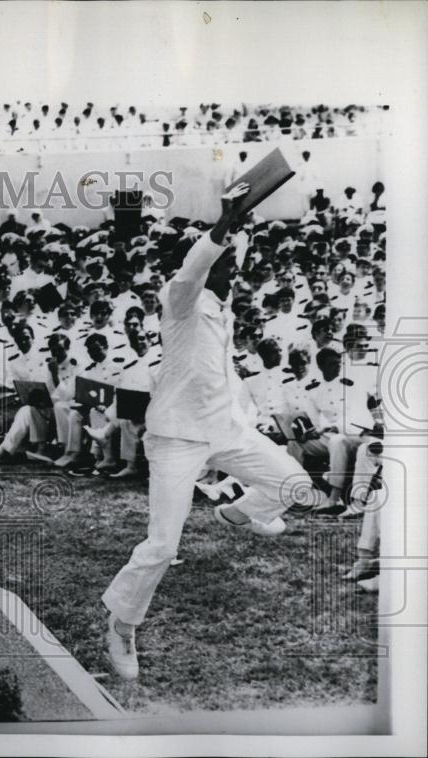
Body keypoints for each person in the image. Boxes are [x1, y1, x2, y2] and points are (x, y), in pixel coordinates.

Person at [100, 182, 322, 681]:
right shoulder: (180, 298)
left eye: (234, 265)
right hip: (177, 438)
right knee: (163, 546)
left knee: (295, 484)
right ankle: (121, 624)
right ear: (205, 266)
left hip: (227, 429)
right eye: (225, 265)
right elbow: (196, 265)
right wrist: (224, 222)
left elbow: (225, 257)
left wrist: (240, 220)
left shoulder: (222, 304)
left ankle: (239, 513)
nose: (233, 272)